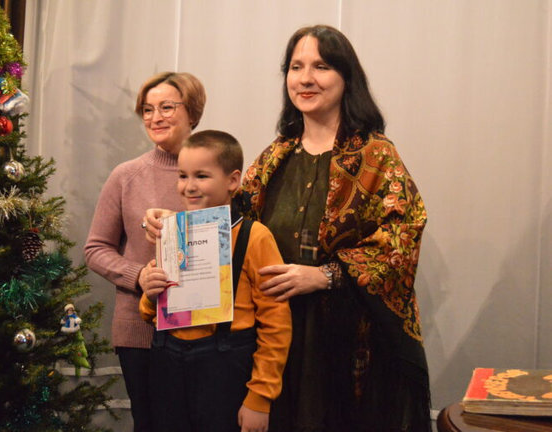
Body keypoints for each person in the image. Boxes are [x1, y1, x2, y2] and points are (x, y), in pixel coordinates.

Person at [146, 25, 431, 432]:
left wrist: (325, 275)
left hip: (348, 344)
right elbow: (230, 227)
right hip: (274, 341)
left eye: (321, 66)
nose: (305, 78)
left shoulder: (376, 155)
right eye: (296, 67)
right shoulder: (275, 155)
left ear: (346, 77)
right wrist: (174, 226)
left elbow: (403, 237)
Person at [139, 130, 292, 432]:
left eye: (202, 176)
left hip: (226, 370)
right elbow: (149, 314)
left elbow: (276, 324)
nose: (189, 186)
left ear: (232, 181)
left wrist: (260, 398)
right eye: (183, 176)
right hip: (168, 366)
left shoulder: (254, 237)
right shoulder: (173, 233)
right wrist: (150, 293)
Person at [84, 71, 206, 432]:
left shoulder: (214, 171)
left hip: (205, 327)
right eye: (148, 109)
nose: (155, 117)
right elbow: (95, 249)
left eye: (167, 107)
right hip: (142, 331)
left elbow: (230, 240)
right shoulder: (126, 175)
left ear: (193, 112)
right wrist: (138, 275)